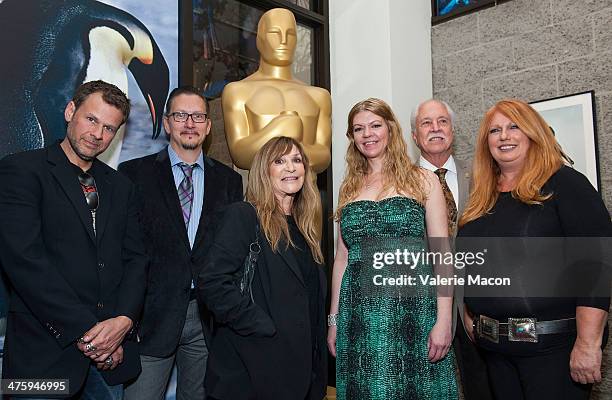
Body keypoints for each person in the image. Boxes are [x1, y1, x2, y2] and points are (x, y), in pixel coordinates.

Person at [0, 80, 147, 399]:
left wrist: (123, 322)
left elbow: (136, 259)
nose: (98, 134)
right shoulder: (21, 171)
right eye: (91, 119)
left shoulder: (121, 187)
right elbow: (25, 262)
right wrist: (93, 336)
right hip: (41, 359)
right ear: (70, 111)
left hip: (111, 360)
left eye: (109, 128)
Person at [458, 99, 611, 400]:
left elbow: (597, 265)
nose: (504, 136)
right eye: (495, 130)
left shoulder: (565, 183)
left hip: (553, 351)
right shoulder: (481, 197)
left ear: (533, 132)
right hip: (495, 353)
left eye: (514, 126)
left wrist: (588, 343)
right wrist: (468, 314)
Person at [328, 98, 458, 399]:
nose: (367, 134)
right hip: (359, 314)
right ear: (351, 137)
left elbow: (442, 254)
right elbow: (342, 258)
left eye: (375, 125)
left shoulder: (423, 180)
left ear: (391, 128)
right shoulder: (348, 188)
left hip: (413, 310)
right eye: (358, 129)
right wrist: (334, 321)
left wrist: (444, 319)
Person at [119, 86, 243, 400]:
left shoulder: (229, 181)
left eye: (198, 116)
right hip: (151, 317)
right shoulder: (134, 174)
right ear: (168, 122)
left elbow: (232, 254)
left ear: (209, 125)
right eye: (181, 115)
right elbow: (125, 249)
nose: (190, 123)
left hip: (206, 317)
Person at [200, 136, 327, 400]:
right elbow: (212, 282)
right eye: (279, 161)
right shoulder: (244, 215)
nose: (291, 168)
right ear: (263, 171)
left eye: (297, 160)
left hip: (300, 372)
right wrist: (260, 324)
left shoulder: (307, 228)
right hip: (253, 367)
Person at [411, 99, 492, 400]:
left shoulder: (483, 178)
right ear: (415, 136)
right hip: (423, 304)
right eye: (426, 123)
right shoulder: (401, 184)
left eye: (442, 121)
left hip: (478, 305)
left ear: (453, 131)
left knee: (483, 387)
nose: (435, 128)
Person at [221, 8, 331, 173]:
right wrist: (278, 129)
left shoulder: (318, 96)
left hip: (308, 196)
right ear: (259, 39)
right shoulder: (238, 92)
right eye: (275, 33)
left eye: (291, 34)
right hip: (261, 196)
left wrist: (285, 143)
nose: (283, 40)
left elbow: (323, 156)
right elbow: (240, 154)